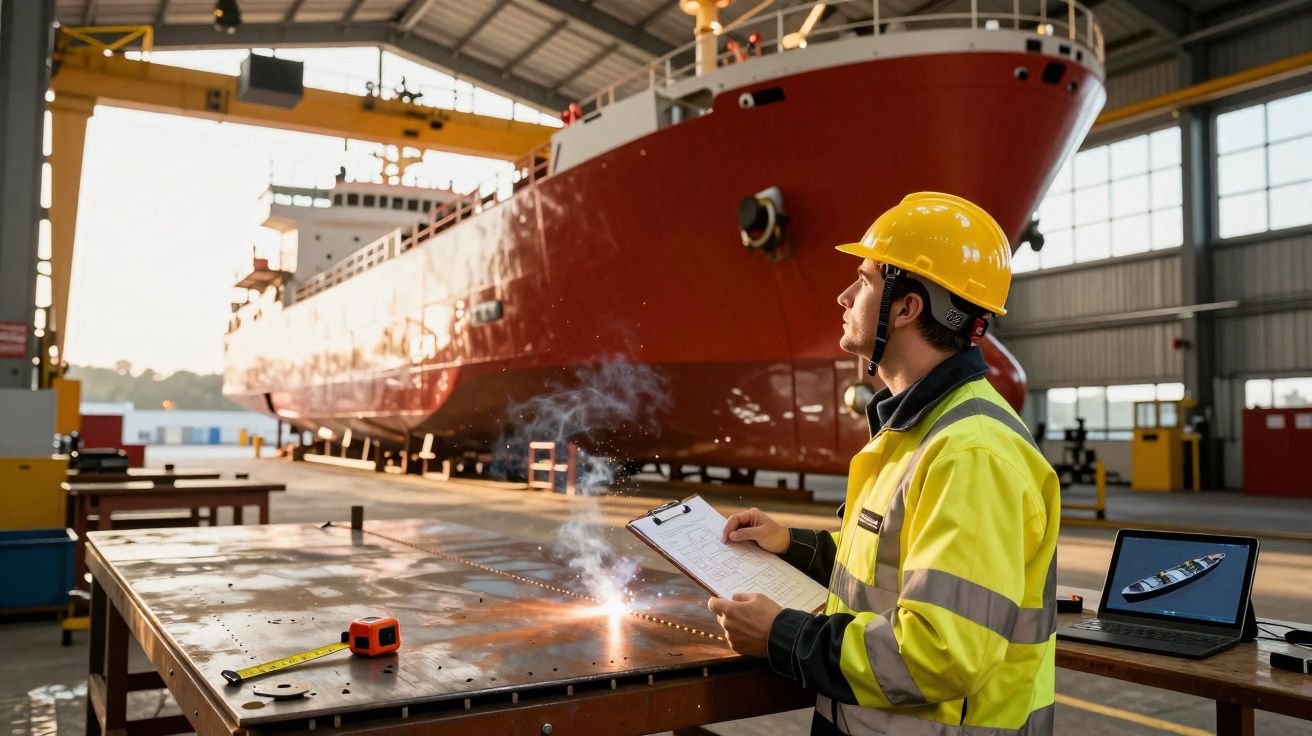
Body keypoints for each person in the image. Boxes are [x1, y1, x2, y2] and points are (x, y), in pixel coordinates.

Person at [708, 192, 1061, 735]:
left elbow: (940, 654)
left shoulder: (971, 454)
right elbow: (896, 580)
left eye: (866, 280)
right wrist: (794, 546)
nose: (845, 296)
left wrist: (782, 634)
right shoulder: (917, 430)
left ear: (905, 307)